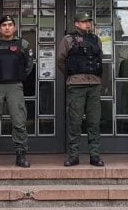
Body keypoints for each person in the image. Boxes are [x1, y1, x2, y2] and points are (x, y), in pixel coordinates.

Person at [0, 15, 34, 168]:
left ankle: (21, 154)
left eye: (10, 25)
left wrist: (20, 76)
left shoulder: (23, 44)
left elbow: (29, 65)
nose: (7, 27)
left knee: (19, 122)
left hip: (15, 87)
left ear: (14, 28)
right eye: (4, 25)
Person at [57, 12, 104, 167]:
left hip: (94, 84)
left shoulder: (96, 39)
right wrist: (72, 75)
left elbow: (99, 59)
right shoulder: (68, 39)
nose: (87, 24)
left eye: (89, 21)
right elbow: (61, 61)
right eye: (84, 22)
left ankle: (95, 155)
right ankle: (73, 155)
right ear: (76, 23)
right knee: (75, 121)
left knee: (94, 121)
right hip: (76, 84)